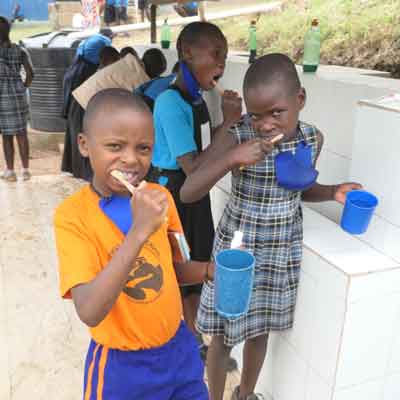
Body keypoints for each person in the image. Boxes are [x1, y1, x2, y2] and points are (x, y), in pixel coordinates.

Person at [180, 53, 362, 400]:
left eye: (276, 112)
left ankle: (245, 394)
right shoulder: (237, 135)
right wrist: (233, 157)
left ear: (300, 100)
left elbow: (300, 188)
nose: (265, 125)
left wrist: (332, 191)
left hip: (280, 250)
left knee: (259, 330)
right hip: (238, 252)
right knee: (223, 334)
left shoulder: (312, 139)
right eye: (257, 114)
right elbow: (189, 192)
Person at [54, 88, 213, 399]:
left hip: (178, 348)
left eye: (143, 148)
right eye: (115, 146)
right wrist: (139, 232)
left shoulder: (161, 198)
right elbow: (89, 310)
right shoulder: (73, 217)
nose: (131, 159)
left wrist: (209, 270)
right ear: (85, 145)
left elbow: (173, 270)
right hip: (122, 367)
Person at [148, 21, 242, 361]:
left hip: (194, 190)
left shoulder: (197, 98)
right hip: (175, 193)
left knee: (199, 261)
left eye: (225, 56)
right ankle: (189, 342)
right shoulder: (171, 103)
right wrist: (229, 126)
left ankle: (195, 337)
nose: (222, 63)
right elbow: (193, 166)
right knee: (185, 267)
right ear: (187, 53)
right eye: (216, 54)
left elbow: (206, 147)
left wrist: (226, 124)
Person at [61, 29, 113, 181]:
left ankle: (73, 167)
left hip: (74, 74)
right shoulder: (105, 42)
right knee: (83, 127)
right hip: (85, 77)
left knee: (75, 126)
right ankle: (85, 171)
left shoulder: (90, 39)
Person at [0, 16, 33, 182]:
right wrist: (22, 87)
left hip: (1, 98)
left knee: (6, 135)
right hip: (18, 96)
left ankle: (10, 171)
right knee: (22, 133)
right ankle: (26, 170)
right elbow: (30, 73)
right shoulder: (19, 50)